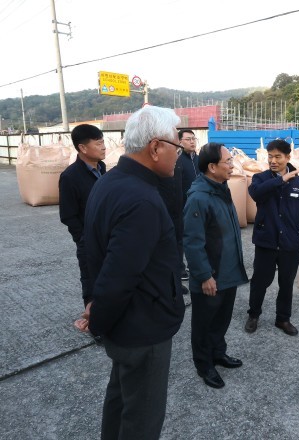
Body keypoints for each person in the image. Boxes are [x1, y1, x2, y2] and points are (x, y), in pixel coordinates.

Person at [82, 106, 185, 440]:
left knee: (120, 400)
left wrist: (94, 304)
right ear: (155, 148)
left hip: (127, 324)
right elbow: (119, 277)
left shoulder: (109, 181)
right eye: (176, 146)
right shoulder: (142, 199)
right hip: (143, 328)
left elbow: (91, 251)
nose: (179, 155)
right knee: (142, 419)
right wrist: (98, 320)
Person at [183, 142, 248, 389]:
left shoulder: (221, 189)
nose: (232, 165)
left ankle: (218, 353)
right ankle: (204, 364)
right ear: (212, 167)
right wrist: (204, 276)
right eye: (228, 161)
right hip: (211, 276)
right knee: (204, 323)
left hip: (228, 272)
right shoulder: (199, 198)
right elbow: (192, 242)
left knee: (221, 319)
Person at [244, 139, 299, 336]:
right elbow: (256, 194)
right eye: (270, 157)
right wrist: (281, 180)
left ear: (288, 157)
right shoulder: (260, 178)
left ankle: (283, 319)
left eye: (278, 157)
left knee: (286, 283)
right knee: (260, 282)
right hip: (266, 241)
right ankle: (253, 315)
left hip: (290, 242)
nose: (273, 161)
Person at [59, 124, 106, 314]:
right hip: (89, 242)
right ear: (83, 148)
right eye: (99, 143)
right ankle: (93, 320)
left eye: (103, 142)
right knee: (91, 283)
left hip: (108, 237)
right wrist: (83, 238)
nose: (104, 147)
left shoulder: (102, 168)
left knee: (109, 279)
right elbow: (68, 215)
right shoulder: (70, 176)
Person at [157, 149, 189, 295]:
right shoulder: (159, 164)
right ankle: (168, 284)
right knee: (166, 248)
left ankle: (176, 280)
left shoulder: (178, 161)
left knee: (178, 244)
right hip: (164, 212)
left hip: (178, 210)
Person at [177, 129, 200, 281]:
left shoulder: (200, 160)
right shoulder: (178, 162)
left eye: (193, 138)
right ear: (180, 142)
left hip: (199, 205)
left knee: (197, 237)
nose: (192, 142)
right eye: (188, 139)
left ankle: (195, 265)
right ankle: (180, 268)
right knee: (182, 238)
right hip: (184, 205)